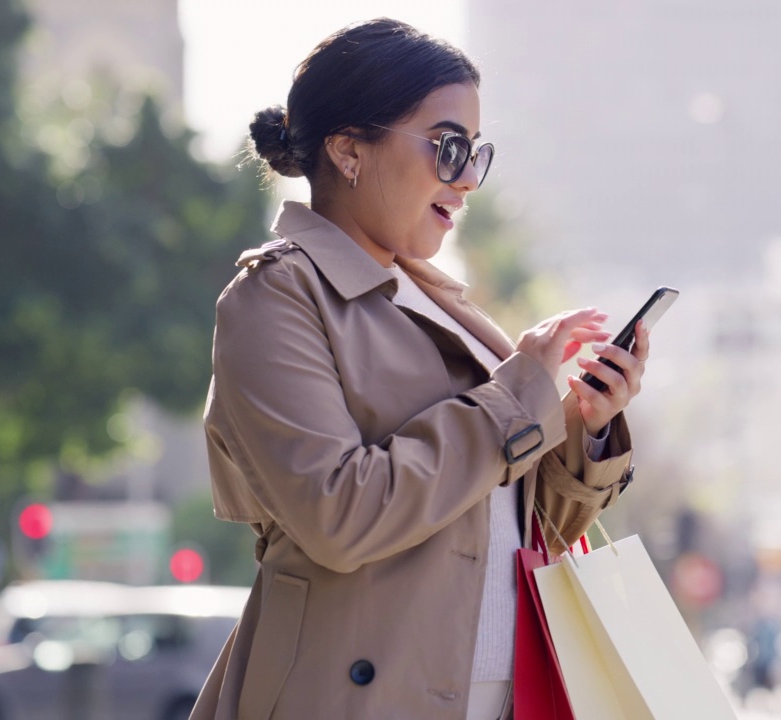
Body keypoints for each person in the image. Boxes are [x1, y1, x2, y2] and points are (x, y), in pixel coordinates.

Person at [189, 18, 648, 720]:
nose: (467, 180)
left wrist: (584, 429)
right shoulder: (275, 298)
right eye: (448, 147)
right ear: (349, 151)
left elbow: (517, 530)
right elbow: (340, 515)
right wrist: (516, 398)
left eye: (476, 153)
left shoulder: (443, 306)